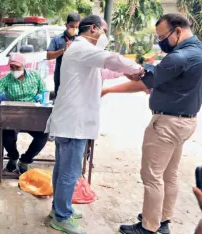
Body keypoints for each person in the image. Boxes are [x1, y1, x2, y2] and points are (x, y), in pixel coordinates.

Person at [101, 13, 202, 234]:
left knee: (152, 176)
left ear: (178, 31)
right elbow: (170, 77)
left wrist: (107, 89)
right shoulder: (198, 52)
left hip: (167, 123)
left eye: (162, 36)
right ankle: (162, 220)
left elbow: (144, 84)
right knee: (170, 174)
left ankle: (148, 227)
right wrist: (149, 72)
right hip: (187, 121)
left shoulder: (178, 57)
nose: (160, 42)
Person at [46, 15, 143, 234]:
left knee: (63, 169)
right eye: (104, 30)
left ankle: (58, 208)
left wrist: (127, 73)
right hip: (73, 123)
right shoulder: (82, 49)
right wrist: (137, 69)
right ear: (93, 29)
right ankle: (62, 216)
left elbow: (105, 70)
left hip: (69, 121)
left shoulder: (81, 52)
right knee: (69, 172)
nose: (105, 35)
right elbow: (112, 59)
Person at [0, 53, 48, 175]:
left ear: (24, 66)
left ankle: (25, 160)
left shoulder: (35, 77)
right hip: (13, 115)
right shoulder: (6, 79)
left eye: (17, 67)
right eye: (12, 67)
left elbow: (44, 91)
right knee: (7, 136)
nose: (14, 70)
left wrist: (42, 97)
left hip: (32, 115)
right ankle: (13, 157)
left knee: (43, 135)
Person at [47, 13, 81, 98]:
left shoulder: (80, 39)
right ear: (66, 25)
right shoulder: (57, 39)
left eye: (77, 27)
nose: (74, 29)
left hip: (75, 75)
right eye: (72, 26)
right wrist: (63, 50)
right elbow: (49, 56)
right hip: (60, 75)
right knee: (59, 99)